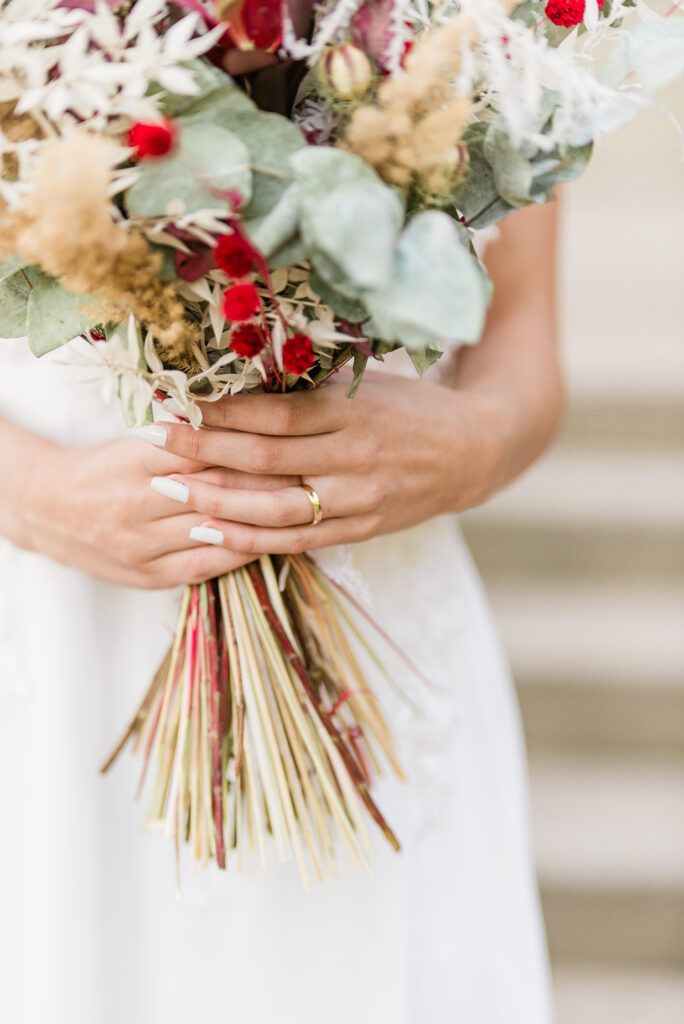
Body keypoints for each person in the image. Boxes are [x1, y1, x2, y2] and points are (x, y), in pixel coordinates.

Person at [0, 200, 561, 1023]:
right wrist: (30, 494)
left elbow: (521, 321)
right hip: (60, 621)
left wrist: (475, 443)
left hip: (373, 598)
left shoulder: (491, 65)